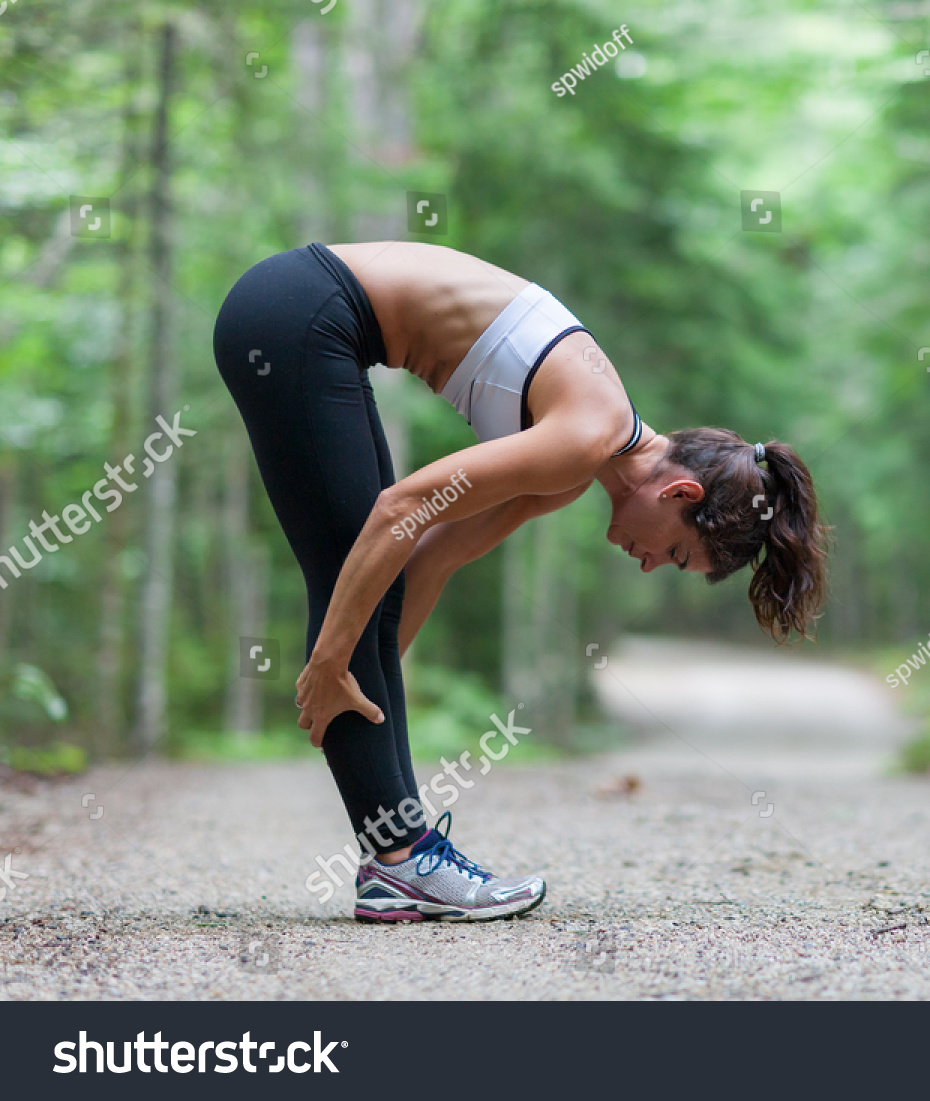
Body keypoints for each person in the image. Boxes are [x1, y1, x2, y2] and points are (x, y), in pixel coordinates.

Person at [213, 240, 827, 922]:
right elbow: (402, 509)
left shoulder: (571, 467)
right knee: (349, 569)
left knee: (365, 582)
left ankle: (398, 859)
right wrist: (332, 659)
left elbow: (429, 559)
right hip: (299, 310)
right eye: (678, 554)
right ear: (680, 492)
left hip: (304, 316)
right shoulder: (586, 434)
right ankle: (401, 861)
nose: (652, 565)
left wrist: (372, 686)